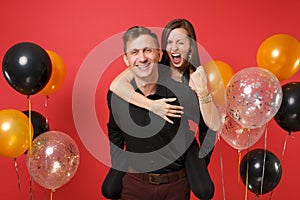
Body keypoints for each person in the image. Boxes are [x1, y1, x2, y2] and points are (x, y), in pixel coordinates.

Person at [104, 19, 222, 199]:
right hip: (136, 184)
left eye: (147, 51)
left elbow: (210, 125)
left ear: (158, 55)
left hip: (175, 185)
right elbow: (114, 128)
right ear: (126, 59)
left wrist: (198, 163)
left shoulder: (185, 88)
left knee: (205, 190)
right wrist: (120, 161)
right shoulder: (119, 94)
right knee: (109, 189)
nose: (142, 57)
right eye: (134, 52)